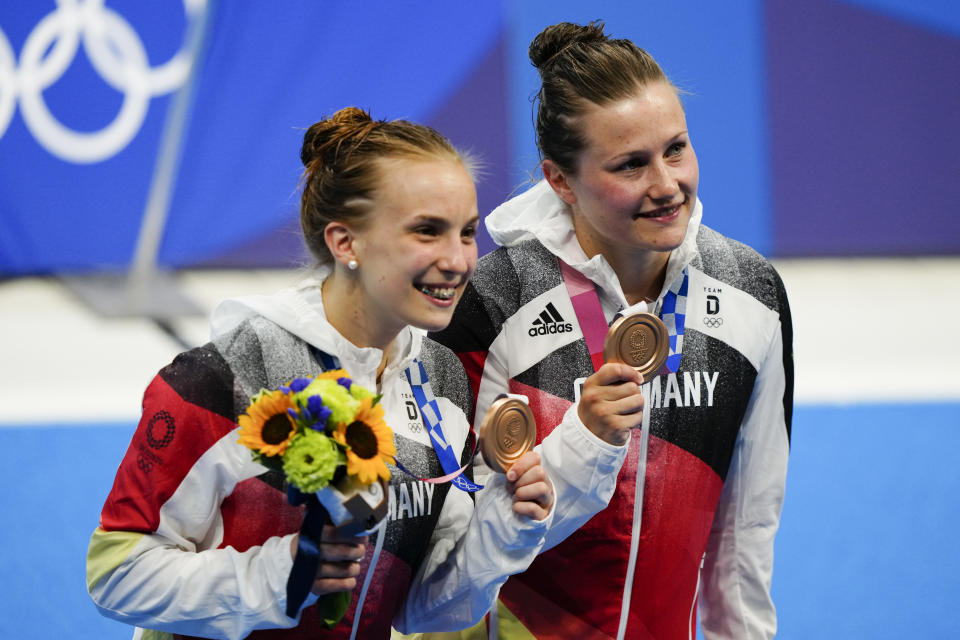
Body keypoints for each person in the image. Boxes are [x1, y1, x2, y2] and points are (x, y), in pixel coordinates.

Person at [85, 107, 631, 640]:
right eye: (426, 231)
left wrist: (502, 526)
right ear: (345, 242)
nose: (460, 260)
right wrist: (280, 575)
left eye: (465, 232)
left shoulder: (438, 379)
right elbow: (117, 572)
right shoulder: (229, 375)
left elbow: (421, 610)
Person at [429, 21, 793, 640]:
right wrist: (584, 442)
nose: (666, 185)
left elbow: (747, 530)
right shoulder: (490, 301)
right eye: (630, 165)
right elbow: (452, 560)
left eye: (676, 149)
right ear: (560, 180)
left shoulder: (750, 293)